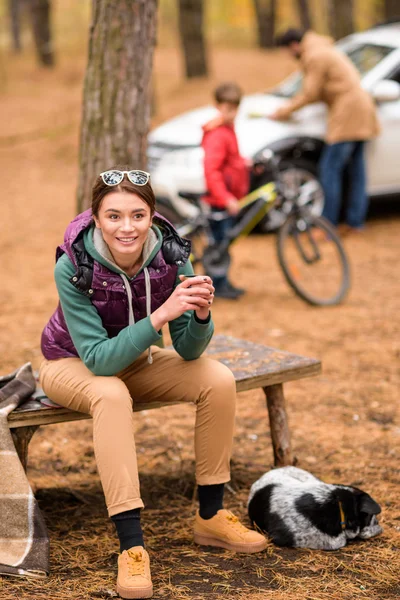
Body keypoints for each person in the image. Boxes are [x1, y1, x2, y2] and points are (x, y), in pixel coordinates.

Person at [40, 169, 266, 599]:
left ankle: (211, 515)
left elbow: (188, 350)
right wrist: (160, 315)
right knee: (111, 393)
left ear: (152, 216)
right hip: (71, 364)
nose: (127, 227)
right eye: (114, 216)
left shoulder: (173, 255)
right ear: (96, 218)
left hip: (139, 358)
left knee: (217, 378)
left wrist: (199, 315)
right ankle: (132, 546)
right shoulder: (73, 265)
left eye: (138, 215)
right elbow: (98, 361)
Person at [270, 28, 380, 235]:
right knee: (356, 171)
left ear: (293, 45)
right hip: (361, 109)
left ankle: (328, 225)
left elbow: (310, 92)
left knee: (330, 169)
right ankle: (355, 222)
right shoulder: (323, 48)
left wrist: (285, 110)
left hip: (348, 113)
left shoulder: (314, 55)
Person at [202, 82, 250, 299]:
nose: (231, 113)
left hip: (227, 197)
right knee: (218, 244)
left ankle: (223, 282)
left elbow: (230, 161)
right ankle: (217, 286)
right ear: (217, 106)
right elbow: (212, 171)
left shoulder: (228, 130)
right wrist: (226, 198)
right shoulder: (217, 135)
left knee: (224, 242)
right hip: (219, 200)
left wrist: (243, 164)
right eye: (227, 108)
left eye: (234, 108)